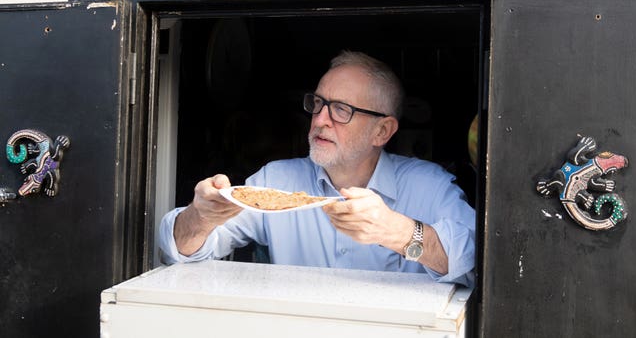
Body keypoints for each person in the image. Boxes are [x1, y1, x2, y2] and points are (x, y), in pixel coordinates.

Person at [158, 51, 476, 286]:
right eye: (319, 104)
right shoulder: (276, 181)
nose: (321, 119)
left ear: (382, 131)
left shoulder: (429, 185)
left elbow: (479, 262)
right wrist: (199, 218)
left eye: (341, 110)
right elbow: (181, 253)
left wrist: (400, 232)